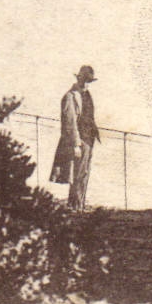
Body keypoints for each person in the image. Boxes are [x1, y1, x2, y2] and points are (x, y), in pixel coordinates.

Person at [49, 65, 101, 210]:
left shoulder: (87, 95)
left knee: (84, 173)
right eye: (84, 80)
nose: (86, 84)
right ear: (78, 78)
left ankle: (79, 205)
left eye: (89, 81)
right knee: (77, 174)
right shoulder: (70, 97)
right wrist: (76, 144)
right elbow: (69, 123)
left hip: (89, 139)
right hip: (79, 140)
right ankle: (75, 206)